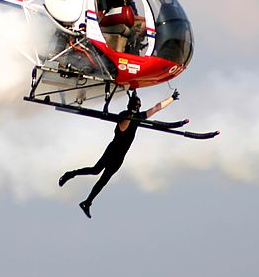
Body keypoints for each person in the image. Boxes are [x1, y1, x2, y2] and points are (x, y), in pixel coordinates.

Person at [58, 89, 179, 218]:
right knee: (95, 170)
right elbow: (123, 128)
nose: (138, 107)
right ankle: (70, 174)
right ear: (131, 106)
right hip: (112, 150)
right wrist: (131, 115)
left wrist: (171, 98)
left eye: (139, 105)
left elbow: (156, 108)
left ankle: (87, 203)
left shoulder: (139, 116)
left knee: (103, 181)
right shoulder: (124, 115)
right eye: (137, 105)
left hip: (120, 156)